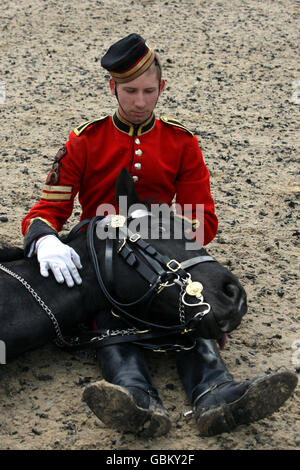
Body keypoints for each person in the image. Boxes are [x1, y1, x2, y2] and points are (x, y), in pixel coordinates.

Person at [21, 34, 297, 437]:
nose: (139, 102)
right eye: (129, 91)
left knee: (188, 302)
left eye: (149, 91)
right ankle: (135, 399)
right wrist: (45, 239)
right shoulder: (85, 140)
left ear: (161, 89)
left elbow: (204, 220)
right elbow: (45, 211)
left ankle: (217, 393)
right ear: (112, 87)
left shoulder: (181, 142)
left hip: (162, 245)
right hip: (103, 251)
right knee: (111, 308)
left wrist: (163, 233)